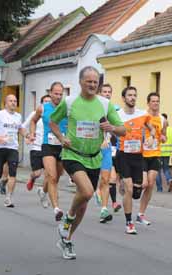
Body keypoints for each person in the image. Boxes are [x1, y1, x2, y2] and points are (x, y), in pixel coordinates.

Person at [51, 66, 125, 259]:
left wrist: (112, 128)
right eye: (89, 81)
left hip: (94, 157)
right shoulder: (69, 102)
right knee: (87, 191)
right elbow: (52, 121)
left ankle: (66, 239)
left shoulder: (105, 104)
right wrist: (61, 138)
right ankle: (67, 219)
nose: (93, 85)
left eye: (95, 82)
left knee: (83, 203)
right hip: (72, 154)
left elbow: (123, 129)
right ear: (80, 82)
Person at [117, 86, 155, 234]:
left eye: (135, 95)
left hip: (138, 156)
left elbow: (151, 128)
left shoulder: (143, 114)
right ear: (124, 98)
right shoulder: (118, 115)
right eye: (130, 95)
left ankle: (125, 189)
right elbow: (109, 129)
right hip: (123, 155)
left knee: (137, 192)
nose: (132, 97)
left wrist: (151, 136)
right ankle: (129, 222)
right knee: (129, 188)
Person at [30, 82, 67, 222]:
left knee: (57, 177)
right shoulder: (43, 108)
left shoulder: (66, 108)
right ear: (50, 93)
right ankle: (56, 208)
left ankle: (43, 190)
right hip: (47, 145)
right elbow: (33, 121)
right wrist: (32, 133)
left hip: (62, 146)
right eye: (55, 93)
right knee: (51, 176)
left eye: (60, 94)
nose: (58, 96)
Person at [0, 94, 25, 208]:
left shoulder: (18, 116)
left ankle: (8, 198)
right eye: (11, 101)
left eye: (15, 101)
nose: (13, 103)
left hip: (13, 147)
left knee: (13, 173)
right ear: (6, 103)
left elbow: (20, 128)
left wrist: (27, 135)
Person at [137, 92, 166, 226]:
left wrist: (163, 138)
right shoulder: (143, 116)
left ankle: (141, 214)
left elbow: (163, 135)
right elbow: (136, 132)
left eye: (157, 101)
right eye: (153, 101)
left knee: (150, 184)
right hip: (142, 154)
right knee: (143, 184)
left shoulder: (162, 119)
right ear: (148, 103)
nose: (155, 103)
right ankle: (130, 189)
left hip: (155, 154)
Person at [95, 83, 122, 223]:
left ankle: (104, 210)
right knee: (91, 181)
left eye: (109, 92)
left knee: (107, 179)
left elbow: (119, 128)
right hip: (92, 149)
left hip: (107, 149)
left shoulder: (114, 109)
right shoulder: (93, 108)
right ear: (100, 93)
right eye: (104, 91)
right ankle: (95, 192)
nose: (107, 94)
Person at [24, 95, 51, 208]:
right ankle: (32, 178)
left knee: (49, 174)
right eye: (45, 101)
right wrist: (28, 136)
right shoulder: (34, 114)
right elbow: (23, 126)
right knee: (37, 173)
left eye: (48, 102)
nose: (47, 104)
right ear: (41, 104)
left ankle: (44, 194)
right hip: (36, 147)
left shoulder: (53, 114)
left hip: (49, 147)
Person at [156, 113, 172, 192]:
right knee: (166, 168)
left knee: (157, 170)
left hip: (159, 152)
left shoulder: (159, 128)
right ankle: (169, 179)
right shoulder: (171, 129)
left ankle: (159, 188)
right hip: (167, 153)